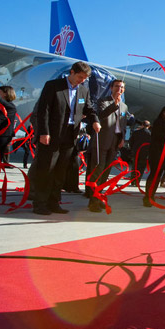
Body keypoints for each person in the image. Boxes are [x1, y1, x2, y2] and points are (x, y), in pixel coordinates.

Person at [30, 62, 100, 215]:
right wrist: (43, 132)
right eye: (80, 77)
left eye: (85, 78)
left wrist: (95, 120)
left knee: (60, 171)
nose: (82, 80)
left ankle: (54, 202)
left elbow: (89, 108)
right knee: (46, 169)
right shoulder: (53, 86)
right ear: (72, 72)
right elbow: (43, 110)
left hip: (70, 135)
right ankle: (40, 203)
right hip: (51, 134)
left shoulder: (83, 91)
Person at [88, 79, 131, 212]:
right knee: (98, 169)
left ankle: (99, 196)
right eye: (117, 86)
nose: (119, 89)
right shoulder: (103, 101)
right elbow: (101, 115)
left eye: (122, 87)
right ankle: (92, 200)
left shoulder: (124, 107)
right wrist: (115, 104)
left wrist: (123, 138)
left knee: (106, 171)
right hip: (102, 140)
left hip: (115, 142)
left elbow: (122, 124)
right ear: (111, 88)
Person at [143, 106, 165, 207]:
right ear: (164, 113)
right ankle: (148, 196)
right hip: (156, 152)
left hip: (162, 153)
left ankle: (152, 195)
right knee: (154, 174)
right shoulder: (158, 122)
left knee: (158, 175)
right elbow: (159, 136)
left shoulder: (164, 123)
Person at [129, 120, 151, 188]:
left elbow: (131, 141)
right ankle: (137, 181)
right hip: (144, 153)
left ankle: (132, 180)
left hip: (136, 152)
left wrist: (133, 149)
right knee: (141, 168)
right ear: (149, 126)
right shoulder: (150, 134)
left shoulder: (136, 132)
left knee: (134, 166)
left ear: (142, 125)